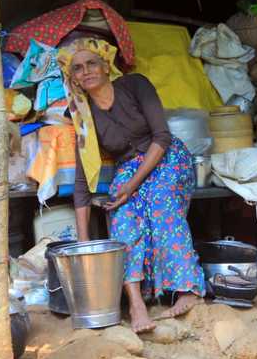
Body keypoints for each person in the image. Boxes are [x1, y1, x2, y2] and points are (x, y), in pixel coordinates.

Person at [58, 37, 206, 333]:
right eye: (77, 68)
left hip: (166, 156)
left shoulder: (136, 85)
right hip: (129, 168)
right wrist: (85, 244)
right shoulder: (83, 117)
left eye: (91, 63)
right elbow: (82, 183)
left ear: (105, 65)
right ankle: (137, 303)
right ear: (71, 77)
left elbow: (161, 137)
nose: (86, 71)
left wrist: (133, 185)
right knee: (122, 215)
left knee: (160, 199)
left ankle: (187, 289)